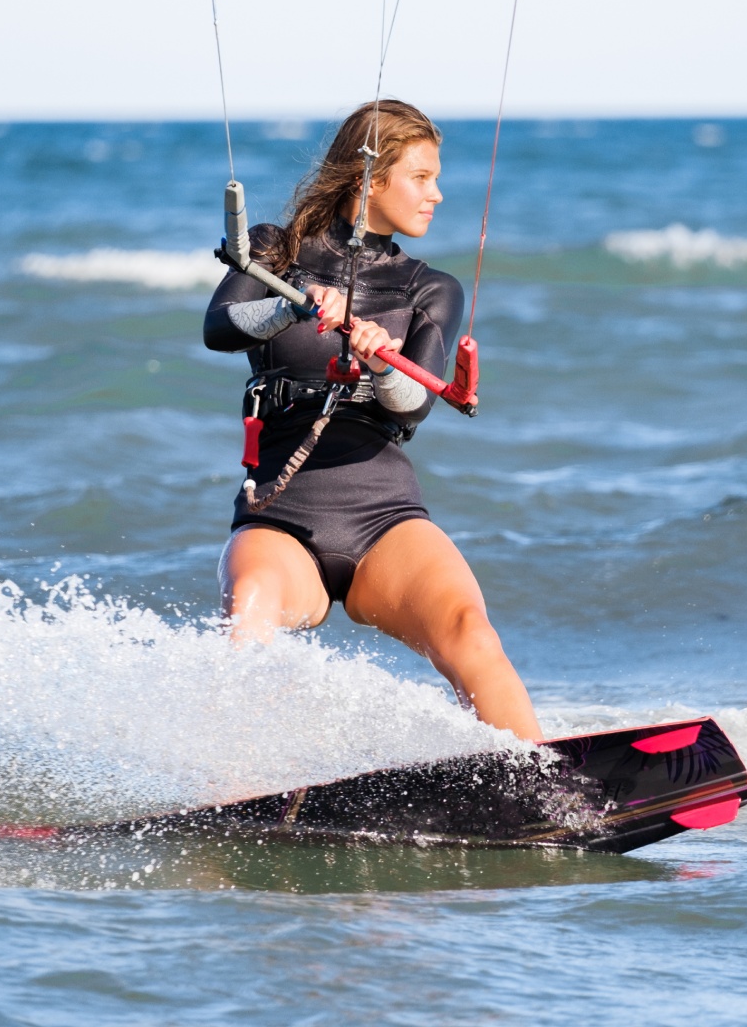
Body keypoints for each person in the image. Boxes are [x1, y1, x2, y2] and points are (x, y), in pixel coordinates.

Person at [203, 100, 542, 740]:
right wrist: (294, 311)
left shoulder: (430, 288)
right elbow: (219, 328)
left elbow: (412, 406)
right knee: (248, 611)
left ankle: (551, 781)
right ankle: (235, 784)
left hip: (384, 514)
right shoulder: (276, 249)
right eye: (422, 177)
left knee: (470, 629)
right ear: (370, 176)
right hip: (281, 511)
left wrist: (379, 363)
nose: (437, 194)